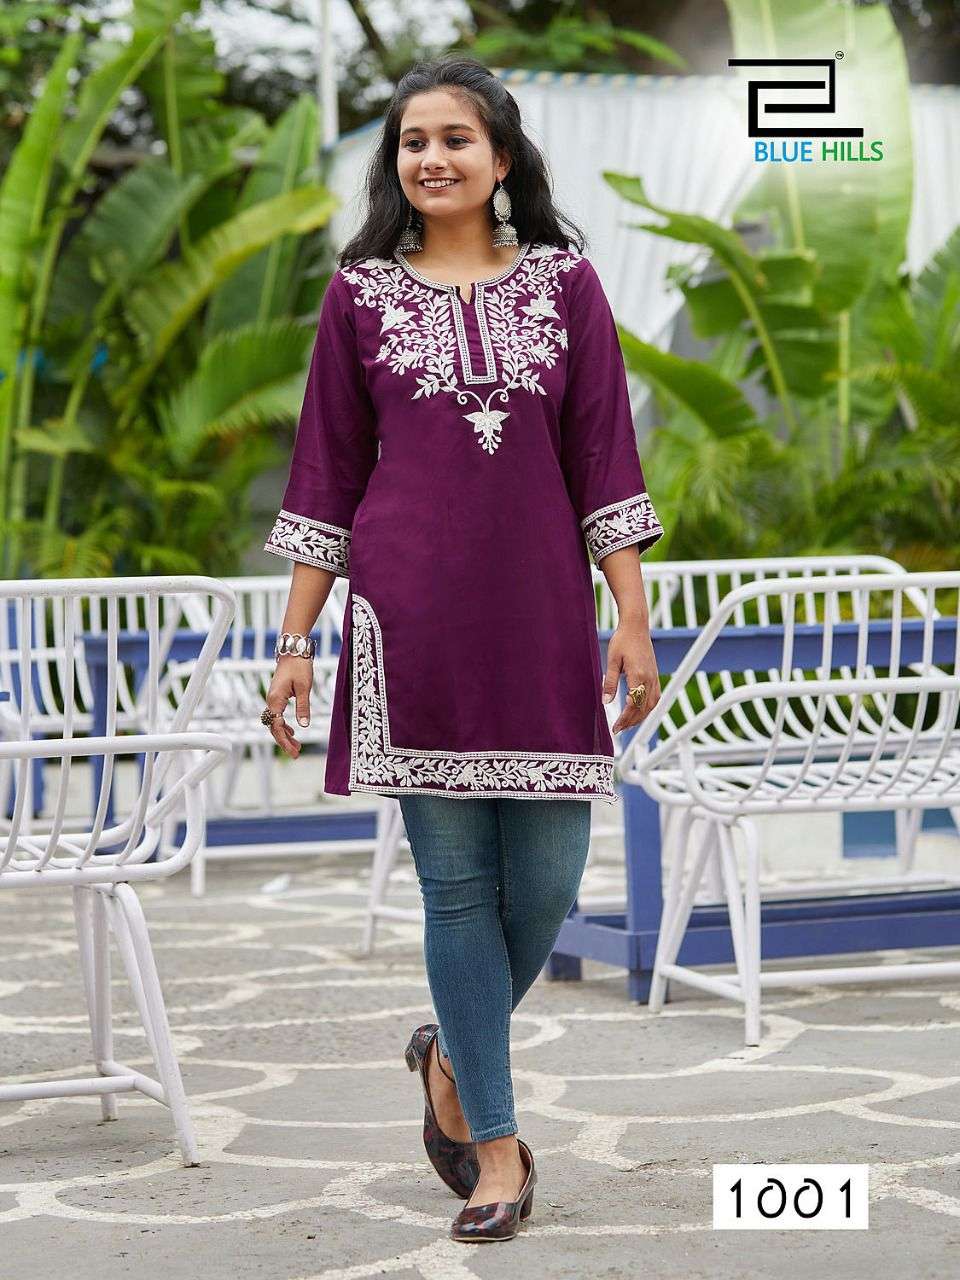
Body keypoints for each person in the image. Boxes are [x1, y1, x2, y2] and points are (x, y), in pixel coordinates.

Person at [260, 55, 664, 1242]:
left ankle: (448, 1053)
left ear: (502, 156)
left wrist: (630, 614)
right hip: (409, 620)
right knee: (456, 889)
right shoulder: (359, 296)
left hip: (540, 618)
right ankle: (495, 1146)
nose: (431, 158)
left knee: (546, 883)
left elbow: (605, 457)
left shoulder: (566, 285)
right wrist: (294, 639)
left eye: (455, 138)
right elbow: (325, 474)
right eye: (412, 141)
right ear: (395, 163)